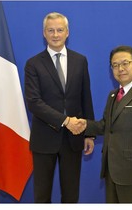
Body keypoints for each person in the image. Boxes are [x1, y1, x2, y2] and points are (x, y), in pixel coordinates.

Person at [24, 12, 95, 203]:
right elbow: (34, 102)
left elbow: (85, 97)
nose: (55, 34)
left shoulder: (80, 60)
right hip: (44, 138)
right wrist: (65, 121)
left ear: (67, 32)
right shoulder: (33, 64)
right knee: (42, 195)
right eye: (51, 30)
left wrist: (89, 133)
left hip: (74, 138)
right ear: (44, 34)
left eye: (60, 30)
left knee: (71, 194)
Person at [81, 45, 132, 203]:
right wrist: (83, 124)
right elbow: (106, 126)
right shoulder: (113, 95)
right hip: (111, 171)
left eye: (125, 63)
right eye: (115, 65)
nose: (120, 68)